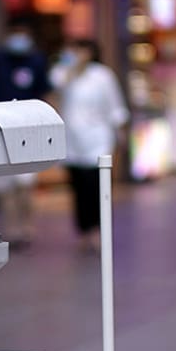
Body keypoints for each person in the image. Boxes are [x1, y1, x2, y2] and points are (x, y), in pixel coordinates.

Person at [0, 17, 53, 249]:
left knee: (25, 184)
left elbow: (46, 93)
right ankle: (11, 228)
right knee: (5, 185)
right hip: (0, 126)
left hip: (28, 128)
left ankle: (27, 227)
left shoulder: (37, 61)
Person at [51, 38, 129, 252]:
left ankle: (98, 230)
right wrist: (71, 69)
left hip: (97, 140)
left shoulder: (103, 76)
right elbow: (55, 91)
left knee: (96, 186)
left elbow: (115, 106)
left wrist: (120, 133)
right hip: (72, 142)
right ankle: (83, 231)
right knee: (78, 188)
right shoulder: (63, 73)